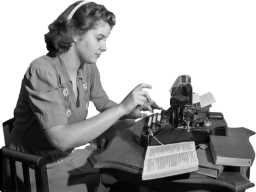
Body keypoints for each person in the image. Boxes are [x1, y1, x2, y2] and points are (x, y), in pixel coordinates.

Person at [5, 0, 160, 192]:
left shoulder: (88, 67)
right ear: (75, 34)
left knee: (126, 170)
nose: (105, 47)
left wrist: (131, 111)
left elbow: (103, 104)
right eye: (99, 38)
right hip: (34, 164)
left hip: (68, 154)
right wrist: (122, 108)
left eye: (106, 40)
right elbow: (61, 139)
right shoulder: (41, 70)